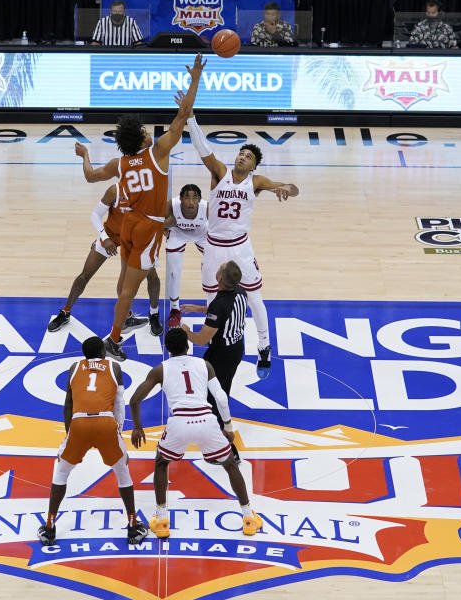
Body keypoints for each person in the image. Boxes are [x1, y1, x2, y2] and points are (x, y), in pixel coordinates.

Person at [74, 52, 205, 361]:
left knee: (127, 281)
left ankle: (121, 327)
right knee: (129, 289)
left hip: (128, 224)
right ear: (143, 138)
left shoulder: (119, 163)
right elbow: (184, 114)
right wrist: (195, 77)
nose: (149, 130)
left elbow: (91, 176)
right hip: (148, 227)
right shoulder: (158, 153)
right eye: (146, 129)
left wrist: (84, 156)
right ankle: (114, 340)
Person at [183, 101, 299, 378]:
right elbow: (203, 148)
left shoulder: (256, 182)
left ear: (254, 165)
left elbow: (294, 188)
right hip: (214, 246)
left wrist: (285, 188)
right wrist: (191, 120)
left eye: (247, 156)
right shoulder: (220, 173)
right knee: (213, 299)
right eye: (240, 153)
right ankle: (215, 345)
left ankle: (264, 346)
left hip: (240, 247)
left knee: (255, 299)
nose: (241, 157)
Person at [129, 327, 262, 538]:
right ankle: (248, 518)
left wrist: (137, 427)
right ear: (188, 345)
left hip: (179, 422)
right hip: (207, 421)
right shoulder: (205, 365)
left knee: (162, 463)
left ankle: (162, 520)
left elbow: (134, 399)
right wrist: (227, 426)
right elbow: (221, 398)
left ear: (167, 349)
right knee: (229, 464)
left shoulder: (159, 370)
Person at [38, 336, 149, 545]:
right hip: (106, 423)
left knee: (61, 471)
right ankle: (133, 527)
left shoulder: (74, 367)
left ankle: (50, 527)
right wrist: (118, 432)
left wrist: (69, 433)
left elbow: (68, 405)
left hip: (79, 423)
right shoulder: (114, 367)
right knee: (122, 471)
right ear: (102, 352)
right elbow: (119, 404)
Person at [47, 183, 163, 336]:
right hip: (111, 236)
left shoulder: (149, 191)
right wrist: (105, 238)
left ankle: (153, 314)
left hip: (136, 240)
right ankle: (65, 312)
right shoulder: (115, 190)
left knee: (152, 276)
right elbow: (95, 215)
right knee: (84, 275)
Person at [180, 261, 247, 458]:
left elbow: (201, 340)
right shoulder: (240, 290)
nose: (218, 266)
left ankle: (225, 447)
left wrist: (186, 332)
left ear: (219, 278)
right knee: (222, 391)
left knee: (213, 397)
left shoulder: (219, 305)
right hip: (237, 348)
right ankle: (221, 434)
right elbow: (223, 310)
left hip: (221, 354)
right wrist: (200, 309)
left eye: (220, 267)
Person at [163, 184, 208, 329]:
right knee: (173, 273)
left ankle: (215, 305)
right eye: (187, 197)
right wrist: (165, 225)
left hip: (201, 233)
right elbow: (155, 224)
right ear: (181, 199)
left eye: (194, 197)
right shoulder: (171, 205)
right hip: (178, 233)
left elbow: (221, 226)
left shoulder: (207, 208)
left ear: (199, 199)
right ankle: (175, 310)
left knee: (214, 267)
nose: (190, 201)